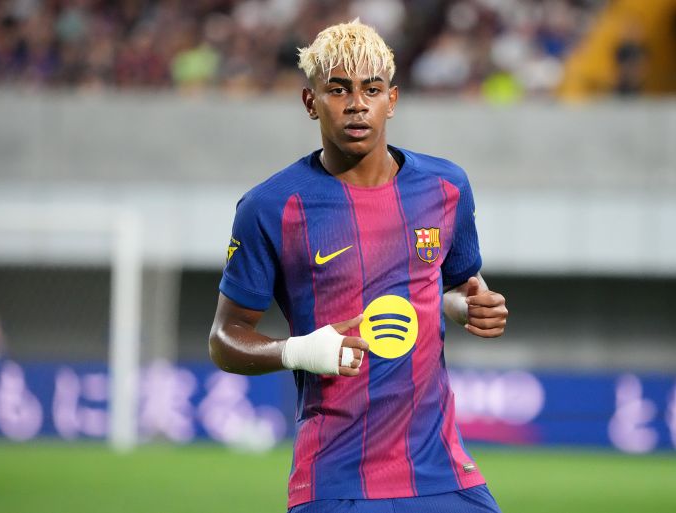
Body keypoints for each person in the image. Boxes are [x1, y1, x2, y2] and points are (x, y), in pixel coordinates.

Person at [208, 20, 508, 513]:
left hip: (442, 472)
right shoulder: (270, 207)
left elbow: (455, 285)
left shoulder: (447, 187)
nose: (356, 105)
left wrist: (468, 308)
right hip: (335, 480)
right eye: (338, 90)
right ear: (311, 102)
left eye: (371, 90)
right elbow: (224, 339)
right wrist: (299, 351)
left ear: (391, 100)